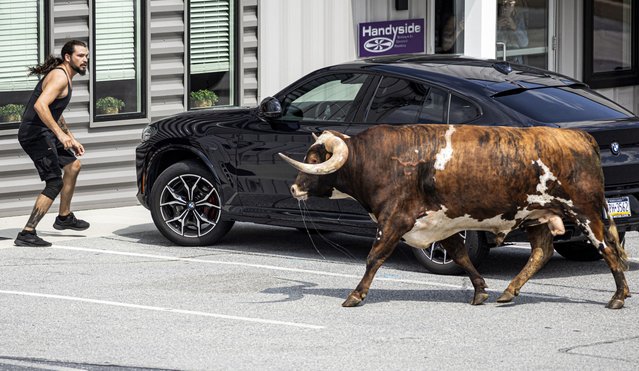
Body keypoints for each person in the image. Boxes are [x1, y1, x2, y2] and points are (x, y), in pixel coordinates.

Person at [15, 40, 90, 247]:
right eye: (80, 56)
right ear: (68, 57)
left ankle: (64, 217)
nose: (85, 60)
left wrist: (70, 137)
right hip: (34, 134)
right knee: (54, 182)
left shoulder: (67, 76)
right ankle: (27, 233)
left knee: (74, 165)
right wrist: (60, 135)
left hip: (46, 131)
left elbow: (54, 111)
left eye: (86, 56)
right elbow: (40, 106)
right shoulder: (59, 76)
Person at [497, 0, 529, 64]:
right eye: (504, 4)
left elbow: (524, 43)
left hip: (516, 60)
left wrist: (514, 28)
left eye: (510, 4)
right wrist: (497, 26)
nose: (506, 7)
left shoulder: (518, 19)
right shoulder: (493, 17)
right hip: (498, 58)